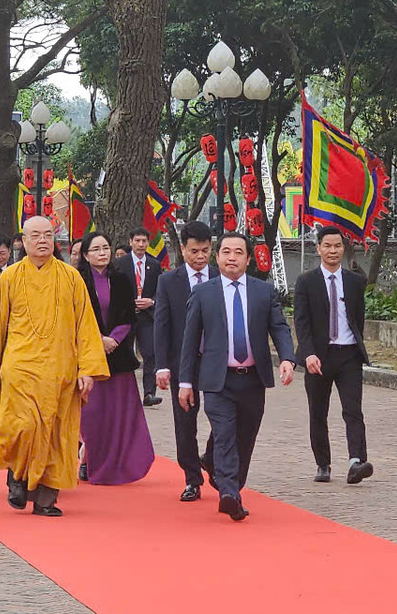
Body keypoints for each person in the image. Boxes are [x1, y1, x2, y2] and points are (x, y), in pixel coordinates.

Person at [0, 215, 108, 517]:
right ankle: (18, 478)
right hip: (19, 368)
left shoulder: (70, 277)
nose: (43, 240)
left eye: (48, 234)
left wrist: (87, 369)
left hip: (61, 370)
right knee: (21, 427)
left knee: (57, 435)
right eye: (36, 235)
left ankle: (46, 499)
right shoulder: (10, 277)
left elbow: (86, 326)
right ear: (23, 240)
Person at [178, 233, 295, 521]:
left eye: (238, 252)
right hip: (218, 380)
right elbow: (190, 341)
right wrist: (185, 382)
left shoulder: (263, 292)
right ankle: (230, 493)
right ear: (217, 258)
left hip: (253, 379)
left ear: (248, 258)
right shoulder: (204, 293)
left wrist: (288, 359)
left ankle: (232, 484)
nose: (232, 257)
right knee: (225, 436)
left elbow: (279, 328)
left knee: (245, 438)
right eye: (226, 252)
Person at [293, 226, 373, 484]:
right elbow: (301, 323)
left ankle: (356, 462)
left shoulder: (355, 281)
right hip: (318, 357)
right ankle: (323, 464)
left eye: (337, 246)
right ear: (318, 249)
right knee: (318, 412)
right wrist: (308, 354)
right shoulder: (306, 281)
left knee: (353, 410)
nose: (332, 251)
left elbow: (357, 318)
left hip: (349, 354)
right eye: (327, 246)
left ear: (343, 248)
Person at [77, 231, 155, 485]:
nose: (102, 253)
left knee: (120, 414)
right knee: (93, 414)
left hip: (118, 355)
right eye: (96, 249)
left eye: (106, 248)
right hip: (89, 355)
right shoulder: (77, 280)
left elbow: (127, 316)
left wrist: (114, 340)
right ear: (86, 255)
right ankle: (89, 459)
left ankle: (119, 463)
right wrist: (98, 339)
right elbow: (74, 317)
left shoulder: (121, 279)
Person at [154, 221, 218, 501]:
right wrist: (162, 365)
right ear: (183, 249)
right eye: (194, 251)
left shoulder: (219, 277)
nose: (200, 257)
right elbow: (162, 325)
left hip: (216, 361)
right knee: (185, 423)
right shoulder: (169, 281)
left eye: (205, 251)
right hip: (183, 363)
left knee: (223, 417)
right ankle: (192, 478)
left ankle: (213, 459)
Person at [114, 227, 164, 407]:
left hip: (147, 317)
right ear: (131, 242)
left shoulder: (155, 265)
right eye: (137, 241)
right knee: (124, 353)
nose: (141, 244)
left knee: (150, 353)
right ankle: (124, 393)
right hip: (126, 316)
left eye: (144, 241)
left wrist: (152, 301)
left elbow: (161, 291)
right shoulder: (120, 264)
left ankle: (149, 393)